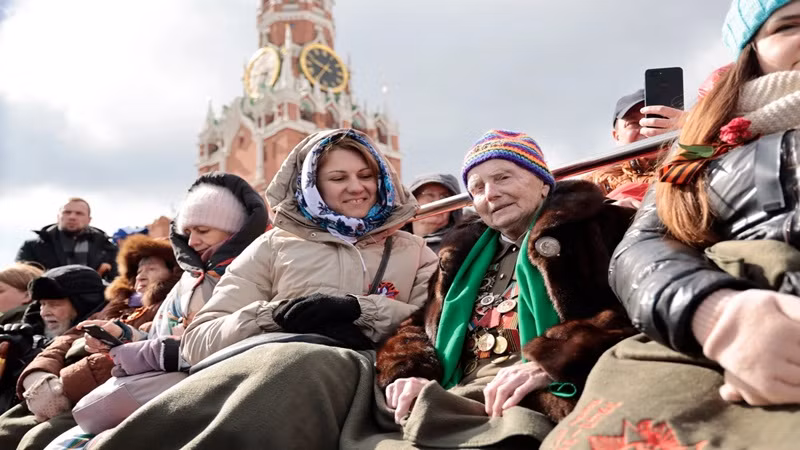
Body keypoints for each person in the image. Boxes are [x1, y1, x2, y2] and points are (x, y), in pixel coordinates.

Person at [541, 1, 800, 448]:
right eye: (790, 25)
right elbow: (644, 246)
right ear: (752, 50)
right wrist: (716, 315)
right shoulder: (700, 150)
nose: (644, 127)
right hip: (710, 316)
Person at [83, 129, 437, 450]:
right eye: (338, 177)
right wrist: (274, 316)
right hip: (265, 381)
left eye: (366, 175)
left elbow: (433, 325)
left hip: (367, 387)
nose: (357, 187)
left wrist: (360, 310)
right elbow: (199, 340)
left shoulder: (414, 251)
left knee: (302, 368)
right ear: (312, 184)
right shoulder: (271, 247)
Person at [376, 130, 636, 447]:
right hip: (452, 388)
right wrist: (408, 372)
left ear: (543, 182)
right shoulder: (460, 256)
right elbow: (418, 323)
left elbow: (636, 312)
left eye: (503, 178)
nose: (492, 193)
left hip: (532, 395)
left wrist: (554, 362)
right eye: (478, 188)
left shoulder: (603, 226)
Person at [43, 172, 268, 449]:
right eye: (188, 232)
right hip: (155, 388)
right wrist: (124, 334)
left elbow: (244, 337)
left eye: (204, 231)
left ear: (233, 228)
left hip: (210, 394)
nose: (193, 241)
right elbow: (158, 337)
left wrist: (159, 350)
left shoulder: (253, 271)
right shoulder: (189, 279)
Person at [0, 235, 181, 449]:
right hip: (58, 389)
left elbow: (130, 360)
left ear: (173, 273)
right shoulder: (116, 307)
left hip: (99, 395)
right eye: (138, 270)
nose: (141, 275)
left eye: (151, 269)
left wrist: (64, 384)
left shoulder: (165, 312)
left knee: (33, 440)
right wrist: (37, 374)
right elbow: (66, 339)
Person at [0, 266, 106, 416]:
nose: (44, 312)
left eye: (55, 304)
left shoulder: (97, 340)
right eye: (42, 304)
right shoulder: (29, 335)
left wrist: (29, 357)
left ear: (82, 305)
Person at [16, 199, 118, 281]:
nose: (72, 217)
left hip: (95, 303)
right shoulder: (33, 247)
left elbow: (118, 280)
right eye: (67, 212)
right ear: (58, 217)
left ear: (89, 220)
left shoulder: (108, 249)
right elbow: (19, 279)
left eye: (79, 213)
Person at [405, 173, 463, 253]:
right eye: (429, 195)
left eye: (445, 197)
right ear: (413, 200)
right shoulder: (393, 243)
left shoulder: (460, 246)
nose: (437, 201)